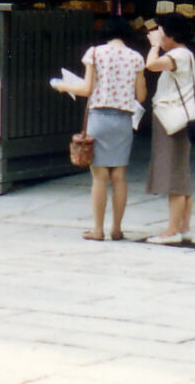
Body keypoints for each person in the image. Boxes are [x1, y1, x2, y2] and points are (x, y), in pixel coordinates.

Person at [55, 16, 146, 240]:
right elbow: (141, 95)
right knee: (119, 176)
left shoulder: (95, 53)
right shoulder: (136, 57)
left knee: (99, 177)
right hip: (124, 119)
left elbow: (86, 89)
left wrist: (62, 86)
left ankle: (98, 229)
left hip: (99, 118)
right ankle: (117, 228)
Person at [145, 14, 195, 244]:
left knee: (174, 176)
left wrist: (155, 45)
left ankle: (172, 231)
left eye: (163, 32)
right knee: (181, 174)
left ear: (172, 35)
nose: (161, 36)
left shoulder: (177, 55)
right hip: (178, 118)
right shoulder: (186, 54)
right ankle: (183, 227)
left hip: (171, 119)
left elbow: (151, 65)